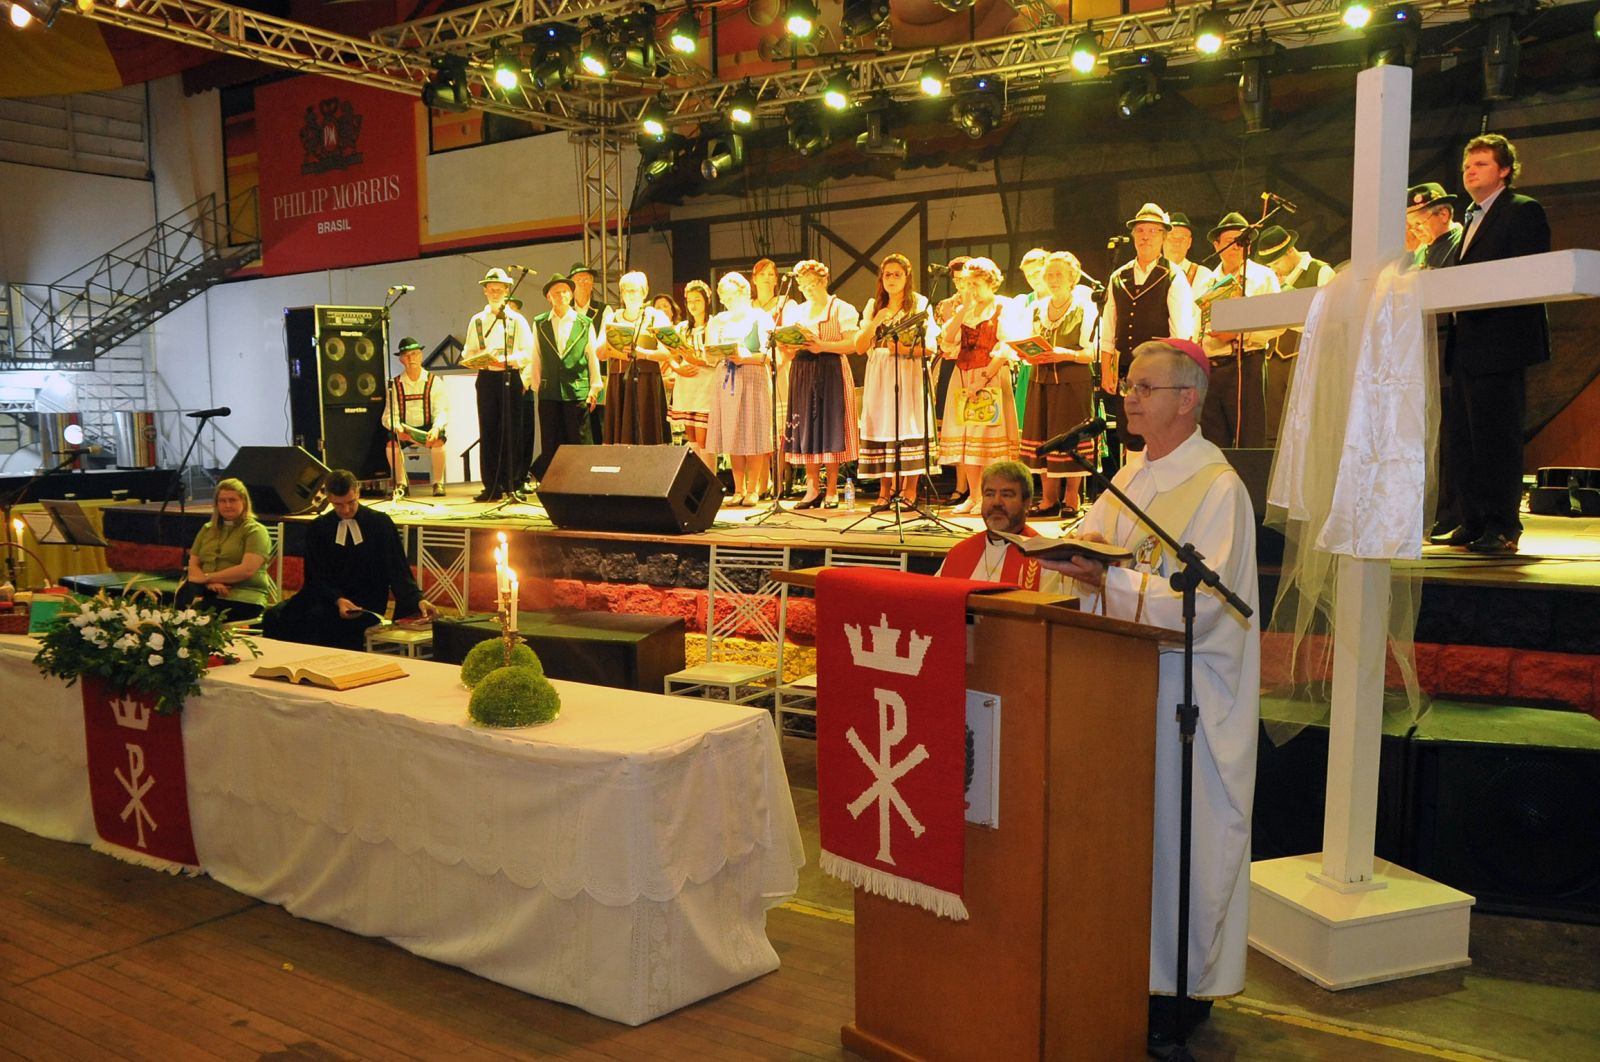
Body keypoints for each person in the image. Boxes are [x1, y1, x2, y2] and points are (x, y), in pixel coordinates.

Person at [1041, 339, 1259, 1049]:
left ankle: (1178, 992)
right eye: (1128, 386)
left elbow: (1212, 609)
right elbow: (1096, 554)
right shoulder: (1130, 475)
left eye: (1144, 386)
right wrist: (1067, 559)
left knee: (1175, 844)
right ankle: (1123, 971)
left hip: (1184, 698)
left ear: (1187, 399)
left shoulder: (1217, 488)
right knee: (1125, 844)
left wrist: (1111, 580)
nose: (1127, 398)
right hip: (1121, 692)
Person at [1437, 133, 1552, 554]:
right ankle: (1474, 519)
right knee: (1464, 438)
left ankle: (1503, 526)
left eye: (1481, 164)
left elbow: (1528, 274)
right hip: (1466, 343)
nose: (1470, 171)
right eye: (1467, 166)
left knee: (1496, 437)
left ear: (1504, 170)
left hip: (1501, 342)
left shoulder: (1522, 211)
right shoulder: (1469, 219)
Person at [262, 469, 434, 650]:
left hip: (364, 602)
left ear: (358, 492)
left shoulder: (379, 523)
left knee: (320, 620)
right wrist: (337, 599)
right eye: (338, 504)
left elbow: (397, 568)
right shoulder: (319, 527)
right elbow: (315, 576)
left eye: (351, 502)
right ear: (328, 498)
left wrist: (417, 599)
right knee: (275, 616)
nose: (345, 510)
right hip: (326, 597)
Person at [1100, 204, 1196, 464]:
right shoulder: (1119, 276)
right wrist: (1106, 367)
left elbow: (1182, 332)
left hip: (1160, 369)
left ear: (1164, 237)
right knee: (1130, 429)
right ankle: (1133, 490)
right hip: (1127, 369)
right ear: (1133, 236)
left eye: (1153, 231)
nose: (1145, 236)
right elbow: (1109, 325)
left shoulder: (1173, 276)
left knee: (1157, 428)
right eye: (1140, 230)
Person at [1406, 183, 1466, 542]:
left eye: (1419, 221)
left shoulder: (1459, 244)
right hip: (1424, 351)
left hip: (1449, 349)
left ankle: (1456, 510)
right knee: (1432, 435)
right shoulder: (1423, 251)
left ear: (1443, 214)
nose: (1415, 230)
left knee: (1453, 434)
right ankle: (1441, 511)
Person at [937, 257, 1020, 514]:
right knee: (966, 440)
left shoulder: (1002, 307)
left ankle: (989, 496)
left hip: (990, 376)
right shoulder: (967, 311)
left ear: (989, 282)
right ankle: (973, 495)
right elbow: (947, 341)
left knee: (986, 441)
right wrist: (962, 309)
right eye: (966, 284)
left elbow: (1007, 347)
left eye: (975, 284)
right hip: (963, 377)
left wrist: (984, 378)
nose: (970, 289)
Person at [1019, 252, 1099, 517]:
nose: (1053, 280)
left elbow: (1092, 353)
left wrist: (1066, 354)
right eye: (1049, 275)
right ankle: (1048, 499)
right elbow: (1026, 342)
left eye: (1059, 275)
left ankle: (1072, 498)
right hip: (1040, 381)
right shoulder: (1036, 308)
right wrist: (1026, 352)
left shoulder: (1085, 308)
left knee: (1070, 439)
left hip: (1072, 383)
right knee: (1042, 438)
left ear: (1072, 278)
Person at [1197, 211, 1284, 449]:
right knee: (1212, 438)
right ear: (1217, 245)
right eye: (1229, 242)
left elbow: (1278, 324)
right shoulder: (1207, 280)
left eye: (1242, 241)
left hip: (1246, 364)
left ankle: (1249, 486)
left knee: (1249, 435)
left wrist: (1238, 333)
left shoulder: (1262, 277)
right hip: (1212, 367)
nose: (1236, 247)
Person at [779, 260, 862, 509]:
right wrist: (789, 344)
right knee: (806, 429)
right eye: (803, 284)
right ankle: (812, 487)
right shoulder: (796, 311)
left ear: (824, 281)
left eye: (812, 283)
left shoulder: (841, 309)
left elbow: (852, 345)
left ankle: (832, 488)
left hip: (831, 368)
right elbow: (788, 347)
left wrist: (822, 345)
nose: (807, 289)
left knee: (830, 427)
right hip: (803, 369)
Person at [855, 253, 935, 507]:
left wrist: (900, 349)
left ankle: (910, 490)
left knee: (908, 424)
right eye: (887, 274)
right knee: (883, 426)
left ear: (907, 277)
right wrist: (876, 321)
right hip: (880, 374)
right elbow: (859, 347)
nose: (891, 279)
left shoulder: (919, 305)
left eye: (896, 274)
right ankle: (884, 490)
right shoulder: (874, 306)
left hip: (908, 372)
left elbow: (931, 347)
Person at [1252, 225, 1332, 449]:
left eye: (1276, 262)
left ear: (1289, 251)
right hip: (1273, 358)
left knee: (1303, 419)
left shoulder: (1320, 272)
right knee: (1272, 425)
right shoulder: (1272, 278)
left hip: (1305, 356)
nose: (1274, 268)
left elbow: (1330, 319)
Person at [461, 267, 533, 502]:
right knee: (489, 430)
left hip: (510, 377)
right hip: (487, 379)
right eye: (491, 289)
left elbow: (528, 352)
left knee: (511, 430)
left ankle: (512, 483)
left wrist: (509, 360)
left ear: (506, 291)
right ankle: (491, 485)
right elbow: (467, 351)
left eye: (499, 289)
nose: (494, 292)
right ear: (485, 291)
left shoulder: (517, 320)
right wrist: (479, 359)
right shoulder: (477, 321)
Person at [703, 272, 775, 506]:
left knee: (752, 432)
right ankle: (738, 489)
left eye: (730, 295)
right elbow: (709, 354)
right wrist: (718, 354)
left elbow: (768, 355)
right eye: (723, 296)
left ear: (744, 292)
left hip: (752, 376)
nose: (726, 300)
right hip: (727, 378)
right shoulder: (718, 320)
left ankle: (753, 489)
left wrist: (744, 357)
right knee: (733, 432)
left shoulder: (760, 317)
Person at [935, 459, 1062, 591]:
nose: (996, 502)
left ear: (1026, 502)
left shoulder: (1045, 560)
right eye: (989, 494)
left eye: (1006, 495)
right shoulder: (959, 554)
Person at [528, 273, 603, 483]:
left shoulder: (584, 322)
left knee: (578, 441)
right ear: (548, 297)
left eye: (564, 291)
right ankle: (555, 485)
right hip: (549, 392)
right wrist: (537, 386)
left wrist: (594, 387)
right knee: (551, 443)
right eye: (555, 292)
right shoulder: (540, 323)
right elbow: (536, 356)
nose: (560, 295)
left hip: (576, 390)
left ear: (571, 295)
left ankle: (583, 484)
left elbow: (592, 356)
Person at [175, 478, 274, 621]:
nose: (227, 505)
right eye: (222, 500)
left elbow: (247, 570)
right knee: (177, 611)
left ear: (244, 502)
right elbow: (193, 564)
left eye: (233, 500)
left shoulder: (256, 531)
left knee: (196, 618)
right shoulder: (207, 529)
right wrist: (209, 582)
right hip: (207, 590)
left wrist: (207, 577)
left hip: (243, 596)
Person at [598, 271, 673, 445]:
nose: (631, 295)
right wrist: (618, 349)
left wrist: (643, 353)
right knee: (621, 434)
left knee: (647, 431)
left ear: (644, 292)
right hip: (620, 379)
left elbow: (667, 352)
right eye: (626, 291)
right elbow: (599, 352)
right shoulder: (613, 317)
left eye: (635, 290)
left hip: (647, 381)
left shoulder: (655, 316)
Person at [382, 336, 449, 498]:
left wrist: (436, 428)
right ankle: (401, 483)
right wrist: (396, 426)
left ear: (420, 355)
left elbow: (441, 411)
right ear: (401, 360)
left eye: (414, 354)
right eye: (406, 356)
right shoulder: (394, 384)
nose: (411, 359)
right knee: (391, 443)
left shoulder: (434, 381)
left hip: (427, 429)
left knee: (439, 439)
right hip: (404, 429)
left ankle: (438, 483)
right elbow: (389, 414)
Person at [665, 279, 717, 469]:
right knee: (691, 436)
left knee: (704, 436)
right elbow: (669, 355)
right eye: (690, 301)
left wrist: (697, 361)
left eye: (698, 300)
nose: (694, 305)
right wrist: (678, 368)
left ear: (706, 301)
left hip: (706, 384)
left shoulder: (713, 325)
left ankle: (711, 480)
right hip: (686, 384)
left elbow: (717, 358)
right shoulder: (681, 328)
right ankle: (697, 481)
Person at [752, 258, 791, 496]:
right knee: (758, 425)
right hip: (754, 369)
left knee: (778, 428)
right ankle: (761, 480)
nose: (767, 278)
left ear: (777, 279)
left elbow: (790, 337)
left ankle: (778, 480)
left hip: (781, 367)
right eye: (762, 274)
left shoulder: (786, 304)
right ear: (754, 279)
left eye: (771, 274)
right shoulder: (748, 306)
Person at [568, 262, 609, 445]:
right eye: (578, 280)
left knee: (600, 424)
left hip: (600, 373)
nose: (584, 283)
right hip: (573, 378)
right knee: (577, 428)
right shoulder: (565, 311)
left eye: (587, 279)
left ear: (592, 284)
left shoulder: (604, 309)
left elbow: (601, 345)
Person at [1010, 247, 1051, 422]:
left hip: (1059, 366)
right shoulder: (1023, 302)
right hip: (1032, 368)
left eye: (1037, 272)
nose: (1034, 278)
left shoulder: (1072, 297)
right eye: (1029, 275)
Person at [1163, 212, 1214, 292]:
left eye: (1182, 238)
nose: (1177, 243)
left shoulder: (1204, 276)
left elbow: (1219, 304)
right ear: (1162, 240)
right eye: (1172, 237)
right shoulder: (1150, 272)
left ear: (1189, 243)